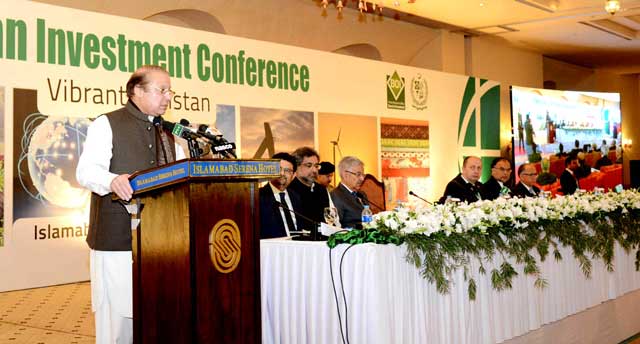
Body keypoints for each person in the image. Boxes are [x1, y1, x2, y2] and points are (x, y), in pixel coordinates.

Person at [76, 65, 186, 344]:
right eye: (162, 90)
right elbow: (86, 172)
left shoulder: (170, 135)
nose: (168, 97)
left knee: (156, 315)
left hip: (162, 243)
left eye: (170, 91)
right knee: (118, 322)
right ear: (137, 91)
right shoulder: (107, 123)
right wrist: (113, 180)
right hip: (117, 240)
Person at [287, 147, 332, 232]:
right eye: (309, 165)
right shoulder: (289, 190)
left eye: (316, 166)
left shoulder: (321, 189)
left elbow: (328, 218)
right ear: (296, 167)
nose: (314, 170)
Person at [259, 152, 298, 239]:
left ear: (294, 175)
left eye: (287, 170)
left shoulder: (297, 197)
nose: (282, 173)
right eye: (278, 169)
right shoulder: (258, 197)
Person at [330, 156, 369, 229]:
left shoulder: (362, 194)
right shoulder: (336, 195)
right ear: (345, 175)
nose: (362, 178)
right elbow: (336, 227)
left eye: (363, 175)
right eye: (358, 174)